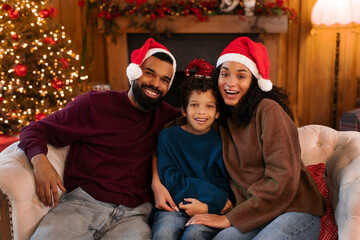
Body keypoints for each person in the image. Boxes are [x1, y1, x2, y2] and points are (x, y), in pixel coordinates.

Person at [18, 38, 181, 240]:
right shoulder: (94, 104)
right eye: (149, 73)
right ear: (134, 72)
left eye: (165, 80)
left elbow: (204, 119)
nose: (156, 84)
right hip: (82, 205)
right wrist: (40, 161)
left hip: (134, 215)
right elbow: (34, 129)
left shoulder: (168, 118)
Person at [185, 37, 327, 239]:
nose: (230, 83)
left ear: (253, 82)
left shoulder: (269, 111)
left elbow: (282, 179)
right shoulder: (221, 115)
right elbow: (184, 125)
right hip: (254, 212)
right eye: (224, 74)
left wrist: (229, 219)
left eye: (241, 76)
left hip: (294, 208)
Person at [151, 59, 233, 240]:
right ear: (183, 110)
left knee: (195, 234)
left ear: (217, 113)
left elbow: (225, 186)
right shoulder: (168, 137)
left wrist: (207, 207)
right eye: (194, 105)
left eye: (209, 106)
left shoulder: (221, 143)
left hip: (206, 207)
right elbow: (170, 178)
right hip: (173, 205)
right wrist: (216, 198)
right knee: (165, 232)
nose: (201, 112)